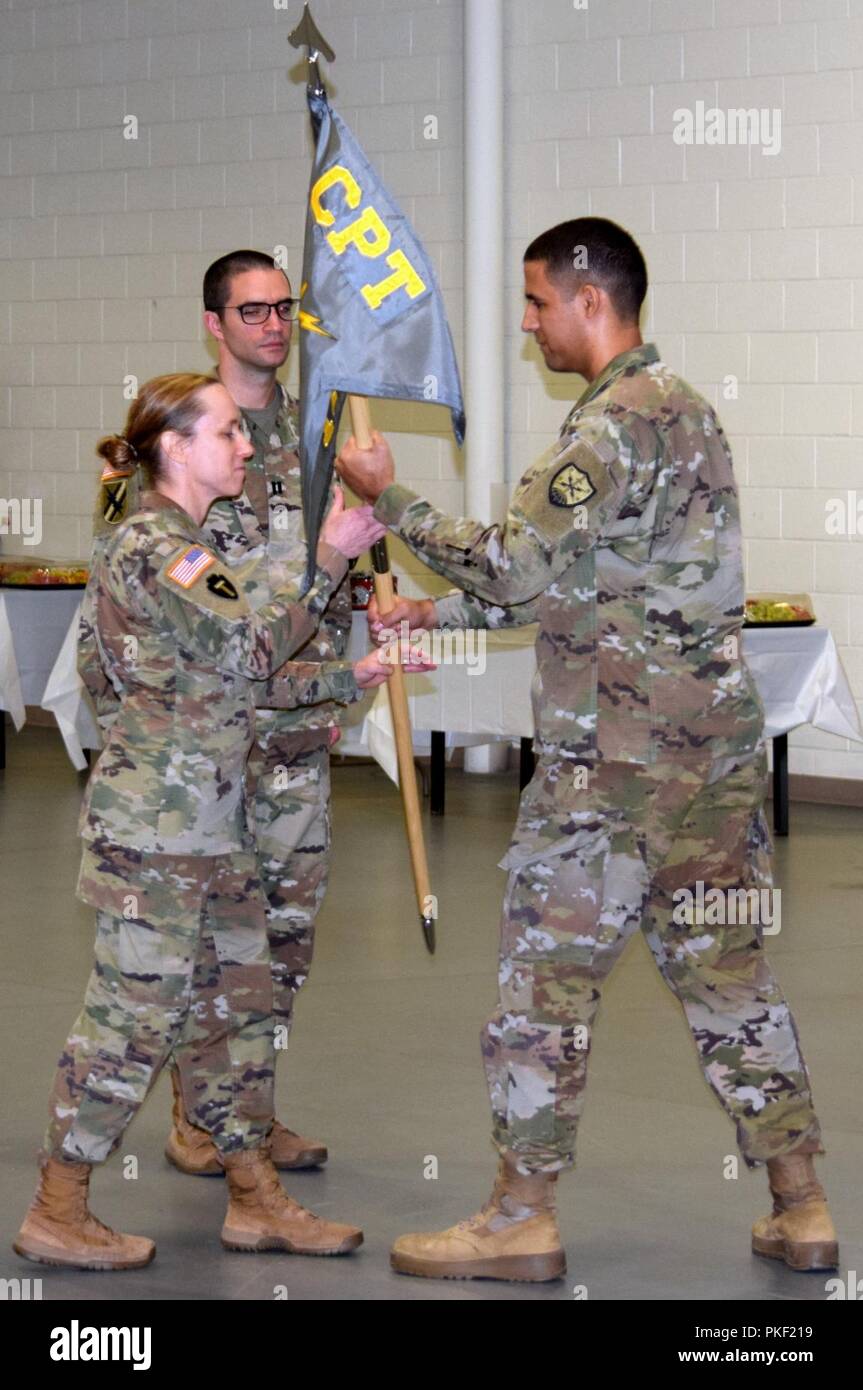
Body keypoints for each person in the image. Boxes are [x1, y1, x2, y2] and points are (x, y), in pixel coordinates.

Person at [336, 218, 839, 1283]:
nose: (528, 323)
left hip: (610, 771)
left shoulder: (604, 430)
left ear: (588, 299)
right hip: (710, 761)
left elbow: (515, 569)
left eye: (534, 302)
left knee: (542, 988)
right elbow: (599, 586)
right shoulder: (689, 413)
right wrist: (438, 628)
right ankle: (800, 1206)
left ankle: (521, 1217)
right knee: (730, 982)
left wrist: (392, 498)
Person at [13, 372, 393, 1270]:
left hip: (212, 825)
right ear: (177, 449)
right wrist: (333, 555)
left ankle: (254, 1196)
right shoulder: (159, 549)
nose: (247, 445)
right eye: (228, 433)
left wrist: (354, 678)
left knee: (237, 1010)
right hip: (158, 835)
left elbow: (235, 681)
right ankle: (58, 1205)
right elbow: (253, 645)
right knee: (131, 1021)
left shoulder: (184, 546)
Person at [87, 248, 362, 1177]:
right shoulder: (179, 439)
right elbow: (115, 637)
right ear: (215, 323)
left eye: (284, 308)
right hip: (204, 755)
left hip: (291, 737)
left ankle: (251, 1112)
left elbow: (337, 582)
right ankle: (197, 1121)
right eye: (252, 311)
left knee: (275, 951)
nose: (273, 325)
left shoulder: (317, 439)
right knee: (195, 958)